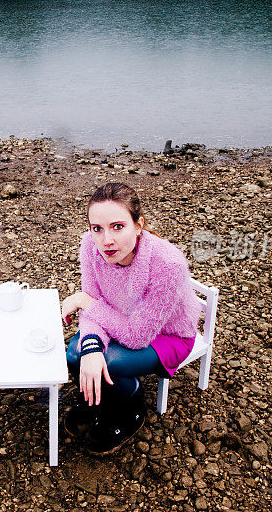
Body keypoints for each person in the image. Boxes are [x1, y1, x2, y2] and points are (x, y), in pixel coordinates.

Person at [61, 182, 202, 455]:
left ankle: (130, 402)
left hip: (167, 335)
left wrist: (85, 303)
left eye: (118, 226)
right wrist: (90, 344)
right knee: (74, 355)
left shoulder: (168, 264)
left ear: (138, 225)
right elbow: (93, 305)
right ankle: (102, 399)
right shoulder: (90, 246)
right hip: (120, 319)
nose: (106, 241)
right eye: (97, 228)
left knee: (110, 363)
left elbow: (137, 335)